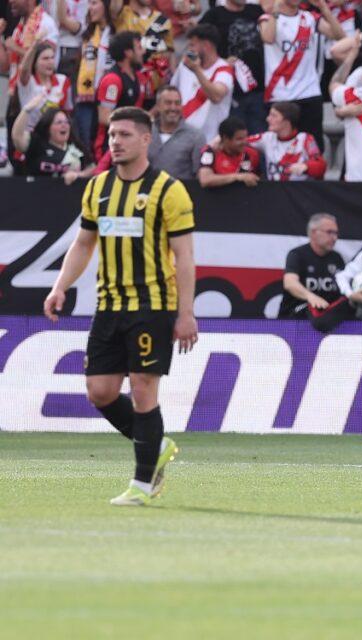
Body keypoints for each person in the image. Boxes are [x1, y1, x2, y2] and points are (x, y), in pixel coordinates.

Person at [42, 105, 198, 507]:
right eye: (112, 135)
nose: (116, 142)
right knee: (100, 392)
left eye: (125, 135)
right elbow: (83, 243)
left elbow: (184, 256)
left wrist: (185, 313)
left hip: (152, 304)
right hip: (109, 305)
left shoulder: (168, 190)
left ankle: (142, 485)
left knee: (143, 388)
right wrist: (60, 287)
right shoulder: (97, 187)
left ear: (146, 139)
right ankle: (155, 444)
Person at [258, 0, 344, 148]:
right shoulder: (267, 18)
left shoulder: (309, 17)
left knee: (314, 147)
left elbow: (338, 35)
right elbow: (268, 38)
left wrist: (325, 9)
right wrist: (275, 12)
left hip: (309, 92)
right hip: (281, 95)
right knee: (282, 146)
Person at [199, 0, 266, 134]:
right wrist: (221, 61)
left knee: (258, 137)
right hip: (230, 90)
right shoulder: (214, 15)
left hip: (258, 88)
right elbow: (198, 45)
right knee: (233, 136)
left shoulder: (256, 11)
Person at [169, 24, 233, 142]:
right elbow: (170, 93)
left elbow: (216, 96)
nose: (189, 50)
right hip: (180, 137)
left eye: (192, 45)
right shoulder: (185, 65)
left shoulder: (224, 69)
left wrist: (196, 70)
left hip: (209, 141)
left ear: (206, 46)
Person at [279, 212, 348, 319]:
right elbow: (290, 283)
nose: (334, 238)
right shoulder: (297, 255)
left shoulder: (337, 258)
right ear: (313, 233)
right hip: (295, 318)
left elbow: (344, 287)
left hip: (327, 319)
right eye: (329, 232)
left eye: (336, 233)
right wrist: (311, 297)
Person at [11, 100, 94, 181]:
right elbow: (17, 137)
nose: (64, 125)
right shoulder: (37, 143)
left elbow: (93, 168)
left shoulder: (76, 147)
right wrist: (26, 110)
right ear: (48, 127)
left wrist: (79, 175)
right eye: (59, 122)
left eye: (66, 122)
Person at [94, 31, 145, 159]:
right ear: (128, 53)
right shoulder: (112, 80)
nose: (143, 52)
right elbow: (104, 117)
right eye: (139, 48)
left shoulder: (138, 77)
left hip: (130, 146)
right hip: (109, 149)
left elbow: (136, 112)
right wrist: (132, 127)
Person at [71, 0, 115, 146]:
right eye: (89, 4)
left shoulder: (116, 33)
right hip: (86, 96)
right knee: (85, 140)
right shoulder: (88, 34)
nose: (90, 8)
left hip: (109, 94)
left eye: (94, 3)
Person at [246, 100, 326, 181]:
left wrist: (306, 167)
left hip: (298, 187)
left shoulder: (305, 139)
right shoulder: (267, 138)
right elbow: (241, 143)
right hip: (274, 188)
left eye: (274, 116)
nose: (268, 119)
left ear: (287, 120)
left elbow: (321, 165)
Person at [148, 84, 206, 179]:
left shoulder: (196, 136)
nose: (173, 108)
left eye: (177, 103)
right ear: (158, 106)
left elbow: (199, 175)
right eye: (168, 103)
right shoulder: (145, 132)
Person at [197, 115, 260, 188]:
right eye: (239, 139)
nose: (244, 142)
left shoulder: (249, 154)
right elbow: (205, 180)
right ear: (225, 139)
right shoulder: (210, 152)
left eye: (245, 137)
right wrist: (237, 177)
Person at [17, 41, 73, 117]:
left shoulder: (63, 80)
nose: (50, 62)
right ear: (34, 62)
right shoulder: (28, 81)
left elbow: (67, 111)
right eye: (45, 59)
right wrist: (34, 46)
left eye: (52, 58)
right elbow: (24, 70)